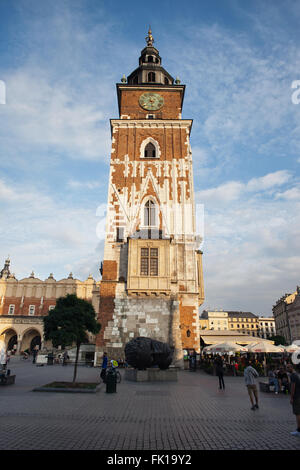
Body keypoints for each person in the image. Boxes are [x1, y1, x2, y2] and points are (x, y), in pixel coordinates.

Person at [286, 363, 300, 437]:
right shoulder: (295, 375)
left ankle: (298, 430)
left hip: (296, 397)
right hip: (298, 396)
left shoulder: (293, 376)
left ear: (291, 367)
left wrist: (291, 398)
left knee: (297, 414)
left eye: (288, 368)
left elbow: (293, 387)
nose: (287, 369)